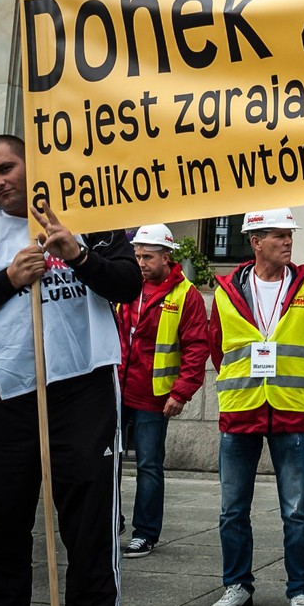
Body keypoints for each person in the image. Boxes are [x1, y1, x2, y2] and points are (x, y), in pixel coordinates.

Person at [0, 134, 141, 606]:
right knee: (1, 533)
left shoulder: (90, 211)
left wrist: (79, 256)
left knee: (90, 533)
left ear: (33, 163)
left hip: (84, 388)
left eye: (5, 168)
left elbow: (128, 283)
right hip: (8, 393)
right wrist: (5, 280)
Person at [206, 208, 304, 606]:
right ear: (255, 242)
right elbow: (216, 348)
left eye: (290, 235)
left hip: (289, 412)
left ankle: (300, 591)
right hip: (239, 411)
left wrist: (294, 385)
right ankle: (237, 585)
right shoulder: (225, 292)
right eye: (278, 235)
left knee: (297, 510)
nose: (288, 242)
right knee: (232, 510)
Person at [116, 223, 209, 559]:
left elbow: (198, 347)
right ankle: (114, 520)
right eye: (137, 255)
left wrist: (181, 392)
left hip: (153, 396)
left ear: (167, 256)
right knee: (106, 460)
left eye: (148, 256)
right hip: (116, 388)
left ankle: (145, 532)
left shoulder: (187, 295)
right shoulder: (128, 286)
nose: (141, 262)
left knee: (149, 465)